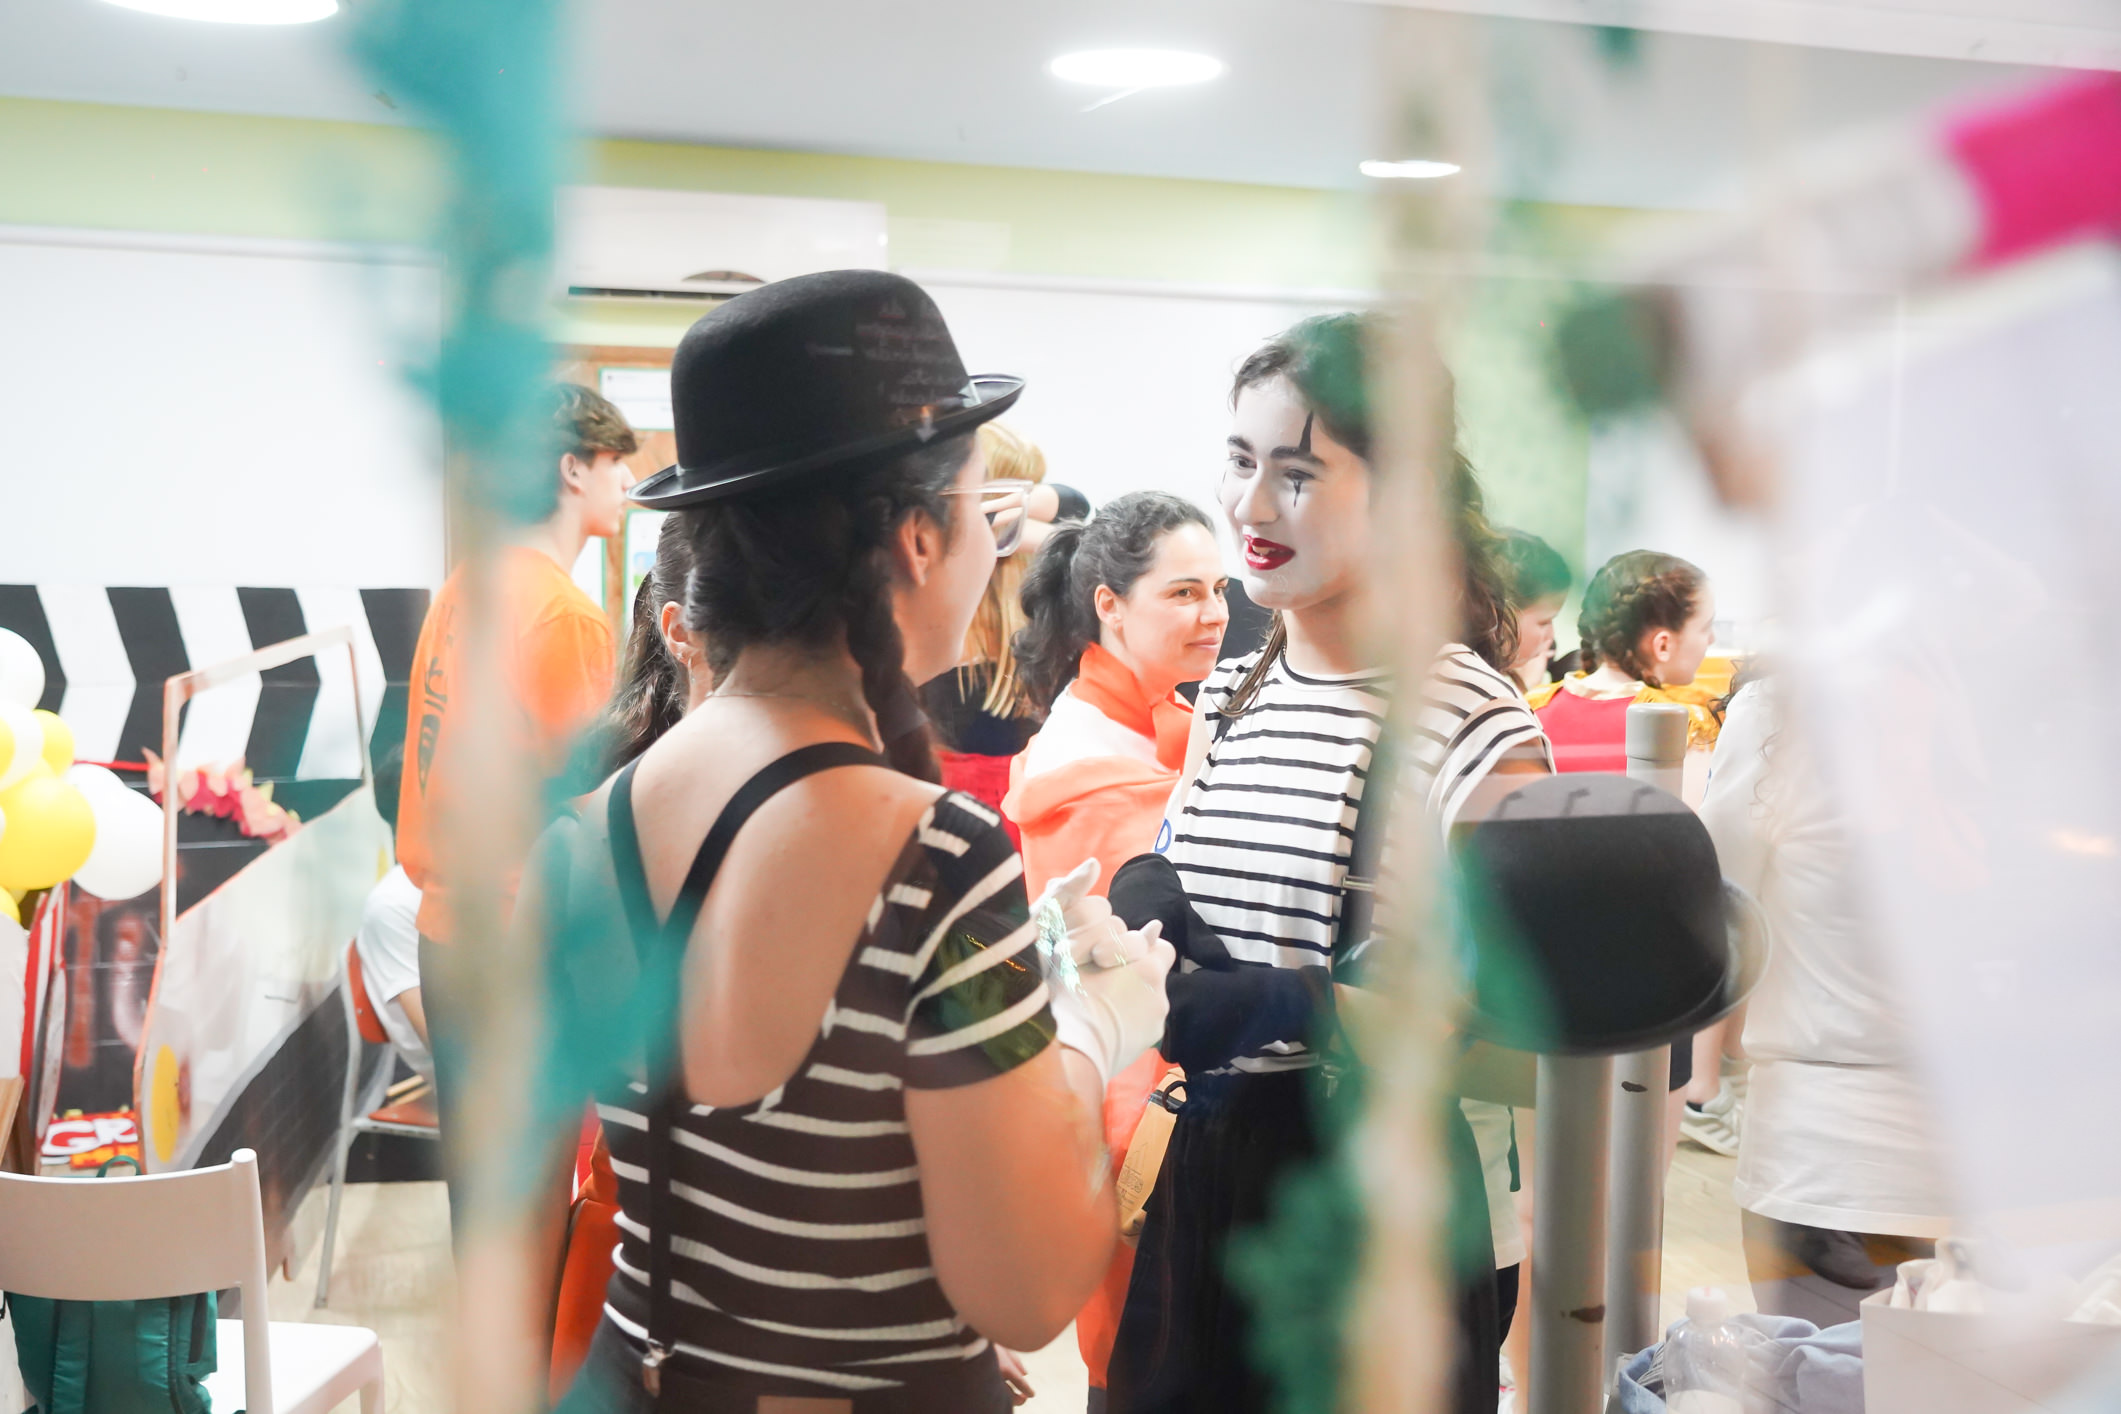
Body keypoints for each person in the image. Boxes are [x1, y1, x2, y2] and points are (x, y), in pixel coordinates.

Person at [544, 271, 1175, 1411]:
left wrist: (1002, 982)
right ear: (919, 539)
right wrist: (1088, 1025)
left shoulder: (587, 830)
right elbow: (1025, 1288)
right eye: (983, 512)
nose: (996, 553)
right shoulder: (935, 856)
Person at [1106, 313, 1550, 1414]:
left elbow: (1518, 1041)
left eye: (1298, 474)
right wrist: (1145, 913)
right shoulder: (1233, 689)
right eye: (1241, 461)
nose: (1251, 507)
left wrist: (1288, 1004)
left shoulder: (1475, 728)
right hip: (1206, 1183)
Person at [1002, 489, 1229, 1408]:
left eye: (1218, 589)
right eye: (1182, 593)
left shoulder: (1150, 724)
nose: (1213, 613)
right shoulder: (1093, 771)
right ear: (1109, 604)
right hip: (1145, 1120)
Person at [395, 381, 638, 1226]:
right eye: (615, 462)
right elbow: (584, 807)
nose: (626, 481)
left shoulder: (466, 586)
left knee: (483, 1210)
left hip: (446, 931)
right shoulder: (565, 615)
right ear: (572, 469)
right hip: (519, 940)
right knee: (528, 1213)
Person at [1699, 673, 1949, 1325]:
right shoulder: (2043, 709)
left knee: (1827, 1369)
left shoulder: (1783, 710)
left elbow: (1713, 908)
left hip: (1832, 1157)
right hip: (1991, 1167)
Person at [920, 421, 1088, 834]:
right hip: (968, 803)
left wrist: (1019, 514)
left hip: (1007, 801)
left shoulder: (1038, 600)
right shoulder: (944, 602)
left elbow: (1076, 504)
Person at [1496, 529, 1572, 691]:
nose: (1550, 636)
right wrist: (1527, 687)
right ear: (1502, 614)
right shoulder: (1490, 693)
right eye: (1544, 622)